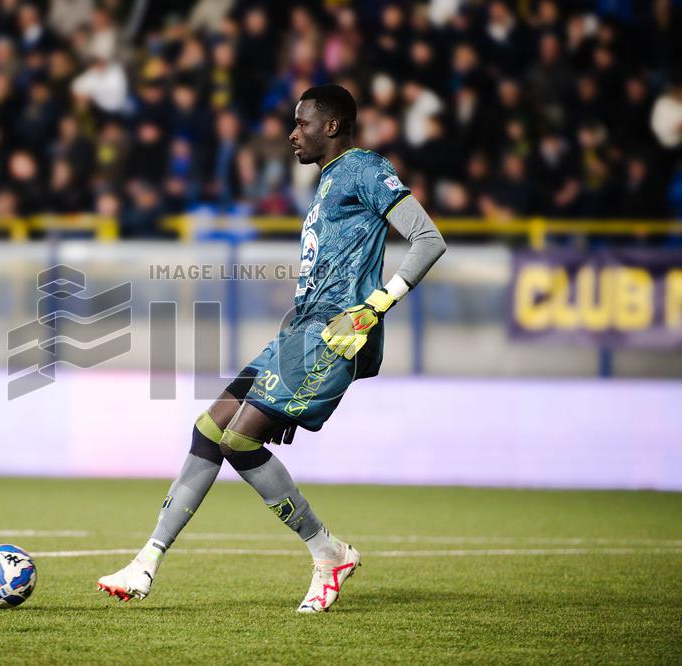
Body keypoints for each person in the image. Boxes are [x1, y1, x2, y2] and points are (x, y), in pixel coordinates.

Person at [97, 84, 447, 613]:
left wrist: (375, 306)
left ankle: (327, 554)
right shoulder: (330, 180)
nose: (292, 134)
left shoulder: (364, 168)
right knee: (211, 427)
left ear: (331, 125)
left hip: (334, 332)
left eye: (301, 123)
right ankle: (145, 561)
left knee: (239, 440)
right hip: (299, 330)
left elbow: (428, 239)